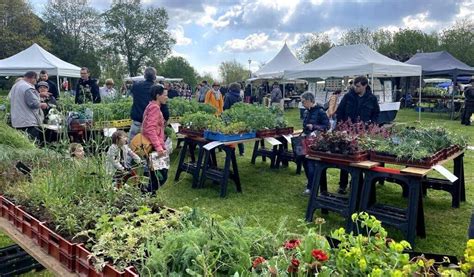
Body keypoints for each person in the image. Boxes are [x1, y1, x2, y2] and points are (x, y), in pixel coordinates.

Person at [335, 76, 380, 194]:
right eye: (355, 85)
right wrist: (341, 126)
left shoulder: (372, 98)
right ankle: (342, 185)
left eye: (358, 86)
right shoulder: (348, 96)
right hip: (347, 131)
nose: (356, 88)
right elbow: (339, 111)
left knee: (360, 158)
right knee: (345, 157)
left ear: (365, 85)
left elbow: (376, 113)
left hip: (363, 132)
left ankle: (356, 183)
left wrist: (372, 126)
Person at [300, 91, 330, 195]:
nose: (302, 103)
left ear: (309, 101)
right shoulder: (306, 112)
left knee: (311, 164)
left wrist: (314, 127)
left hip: (316, 141)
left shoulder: (320, 111)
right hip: (306, 140)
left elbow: (327, 126)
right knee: (304, 161)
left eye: (303, 101)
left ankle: (312, 187)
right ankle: (310, 183)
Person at [142, 85, 169, 194]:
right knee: (162, 175)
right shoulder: (155, 108)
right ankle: (145, 193)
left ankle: (147, 194)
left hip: (152, 145)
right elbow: (150, 129)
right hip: (154, 146)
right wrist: (158, 147)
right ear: (158, 95)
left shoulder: (151, 105)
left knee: (154, 175)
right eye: (165, 95)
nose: (166, 97)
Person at [9, 71, 48, 143]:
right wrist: (42, 104)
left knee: (22, 144)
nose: (36, 82)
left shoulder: (16, 85)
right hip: (28, 122)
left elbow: (21, 98)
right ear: (32, 78)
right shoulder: (28, 87)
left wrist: (38, 95)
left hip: (17, 121)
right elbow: (33, 103)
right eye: (36, 80)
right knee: (33, 144)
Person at [129, 67, 161, 141]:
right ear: (155, 77)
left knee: (132, 146)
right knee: (151, 146)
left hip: (138, 120)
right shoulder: (158, 88)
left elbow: (132, 94)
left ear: (144, 76)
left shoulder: (136, 86)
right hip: (152, 122)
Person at [223, 82, 245, 155]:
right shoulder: (239, 97)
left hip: (229, 117)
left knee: (230, 134)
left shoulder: (228, 96)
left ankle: (231, 150)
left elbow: (225, 107)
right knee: (239, 134)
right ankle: (242, 151)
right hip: (238, 117)